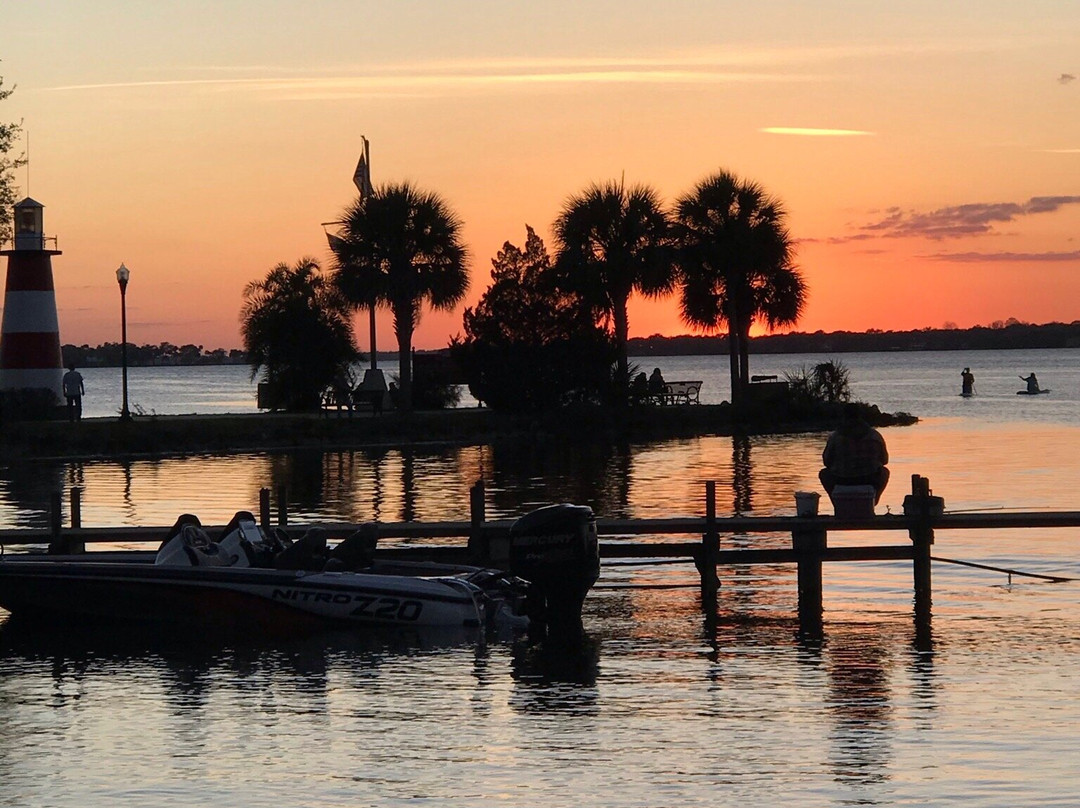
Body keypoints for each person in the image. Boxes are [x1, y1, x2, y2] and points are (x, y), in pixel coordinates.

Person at [819, 403, 890, 504]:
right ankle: (873, 501)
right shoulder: (875, 436)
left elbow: (826, 461)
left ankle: (837, 503)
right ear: (861, 416)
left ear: (844, 416)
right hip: (869, 479)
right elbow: (885, 460)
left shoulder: (835, 437)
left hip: (841, 480)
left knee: (824, 474)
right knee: (884, 472)